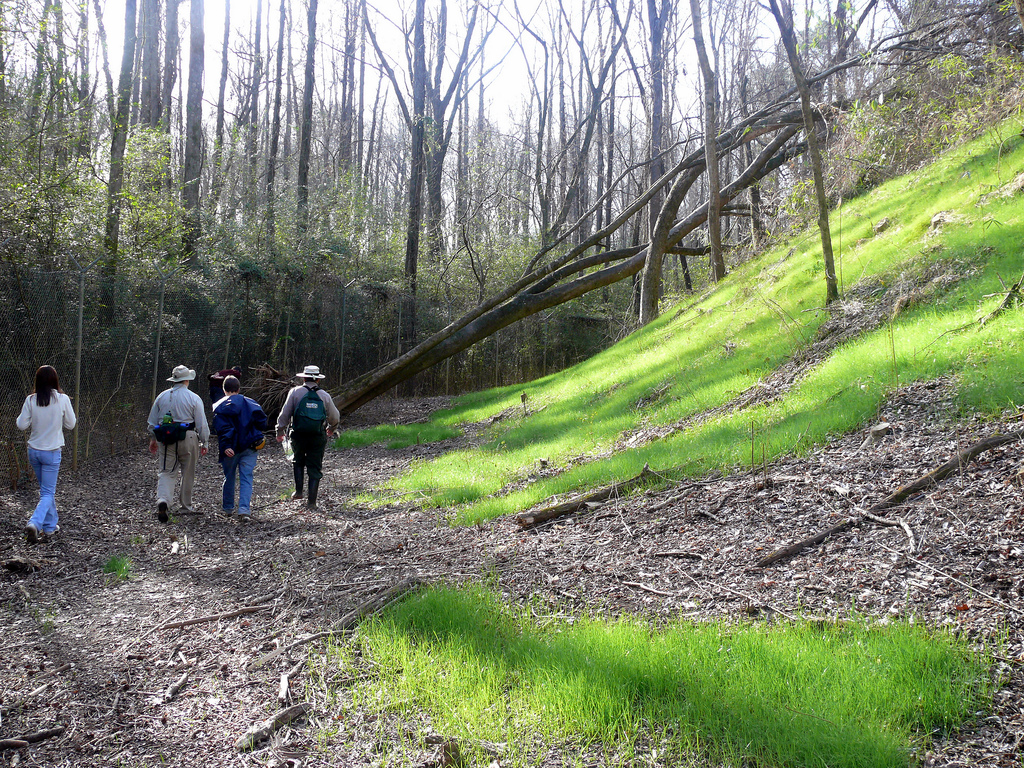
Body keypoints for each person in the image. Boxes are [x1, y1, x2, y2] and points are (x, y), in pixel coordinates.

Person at [16, 365, 77, 544]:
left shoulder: (31, 399)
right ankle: (34, 523)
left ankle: (50, 527)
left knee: (45, 491)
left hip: (34, 452)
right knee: (48, 492)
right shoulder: (63, 399)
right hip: (51, 453)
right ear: (55, 380)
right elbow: (71, 424)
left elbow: (21, 425)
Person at [147, 364, 210, 522]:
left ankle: (163, 500)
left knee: (166, 471)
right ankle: (185, 506)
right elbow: (201, 423)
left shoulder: (162, 396)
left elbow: (152, 421)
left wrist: (153, 438)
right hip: (188, 437)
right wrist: (205, 441)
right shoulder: (193, 398)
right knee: (188, 472)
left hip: (166, 439)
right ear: (187, 380)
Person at [275, 364, 340, 507]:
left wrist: (280, 431)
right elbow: (335, 416)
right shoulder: (324, 395)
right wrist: (331, 428)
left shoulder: (295, 392)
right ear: (318, 380)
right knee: (315, 466)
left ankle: (298, 491)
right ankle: (312, 502)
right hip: (317, 435)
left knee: (297, 460)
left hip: (298, 434)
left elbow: (285, 414)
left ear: (303, 378)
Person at [212, 376, 268, 521]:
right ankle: (244, 510)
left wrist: (226, 446)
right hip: (250, 447)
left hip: (230, 450)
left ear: (224, 390)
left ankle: (228, 508)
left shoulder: (220, 407)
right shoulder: (251, 404)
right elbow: (262, 423)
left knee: (229, 477)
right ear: (238, 389)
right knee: (246, 477)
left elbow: (222, 429)